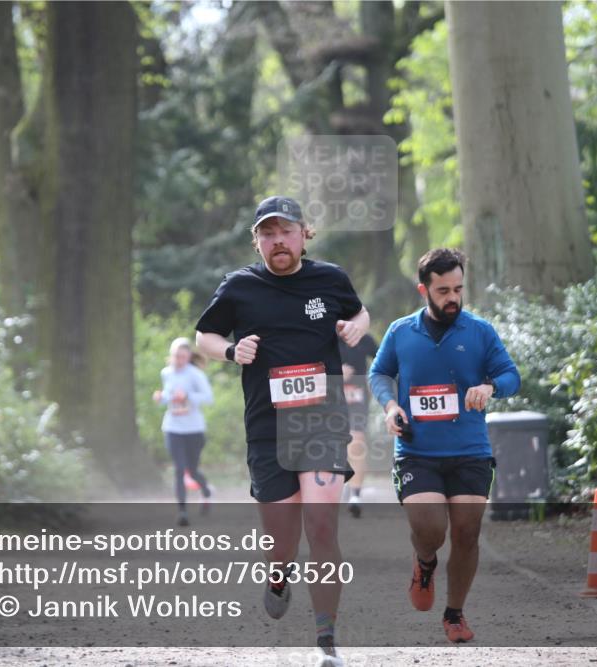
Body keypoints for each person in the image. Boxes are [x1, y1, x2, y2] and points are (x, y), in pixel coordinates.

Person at [195, 195, 369, 667]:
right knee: (281, 542)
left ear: (302, 234)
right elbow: (203, 337)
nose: (278, 241)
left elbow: (359, 311)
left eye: (285, 231)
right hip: (267, 425)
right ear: (257, 241)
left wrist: (356, 328)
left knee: (321, 525)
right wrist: (232, 352)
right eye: (268, 234)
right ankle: (277, 575)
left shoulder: (329, 279)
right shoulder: (239, 288)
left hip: (322, 418)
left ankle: (326, 641)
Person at [368, 248, 520, 643]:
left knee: (467, 533)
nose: (453, 297)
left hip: (470, 448)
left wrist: (490, 386)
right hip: (417, 450)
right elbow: (380, 372)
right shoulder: (401, 332)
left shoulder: (480, 331)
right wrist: (390, 406)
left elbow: (510, 375)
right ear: (424, 289)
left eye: (458, 289)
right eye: (443, 290)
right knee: (431, 529)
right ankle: (425, 562)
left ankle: (454, 614)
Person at [153, 337, 214, 526]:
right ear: (170, 356)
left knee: (192, 470)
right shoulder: (166, 373)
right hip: (172, 428)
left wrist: (188, 396)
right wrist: (161, 397)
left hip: (194, 429)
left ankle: (206, 492)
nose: (178, 360)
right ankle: (182, 512)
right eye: (175, 356)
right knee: (179, 469)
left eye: (181, 356)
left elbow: (208, 398)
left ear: (188, 357)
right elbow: (168, 397)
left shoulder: (195, 374)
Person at [337, 333, 378, 518]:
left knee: (357, 442)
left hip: (357, 398)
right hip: (330, 397)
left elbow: (383, 362)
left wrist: (373, 379)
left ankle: (355, 496)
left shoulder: (364, 338)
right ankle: (342, 484)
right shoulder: (322, 336)